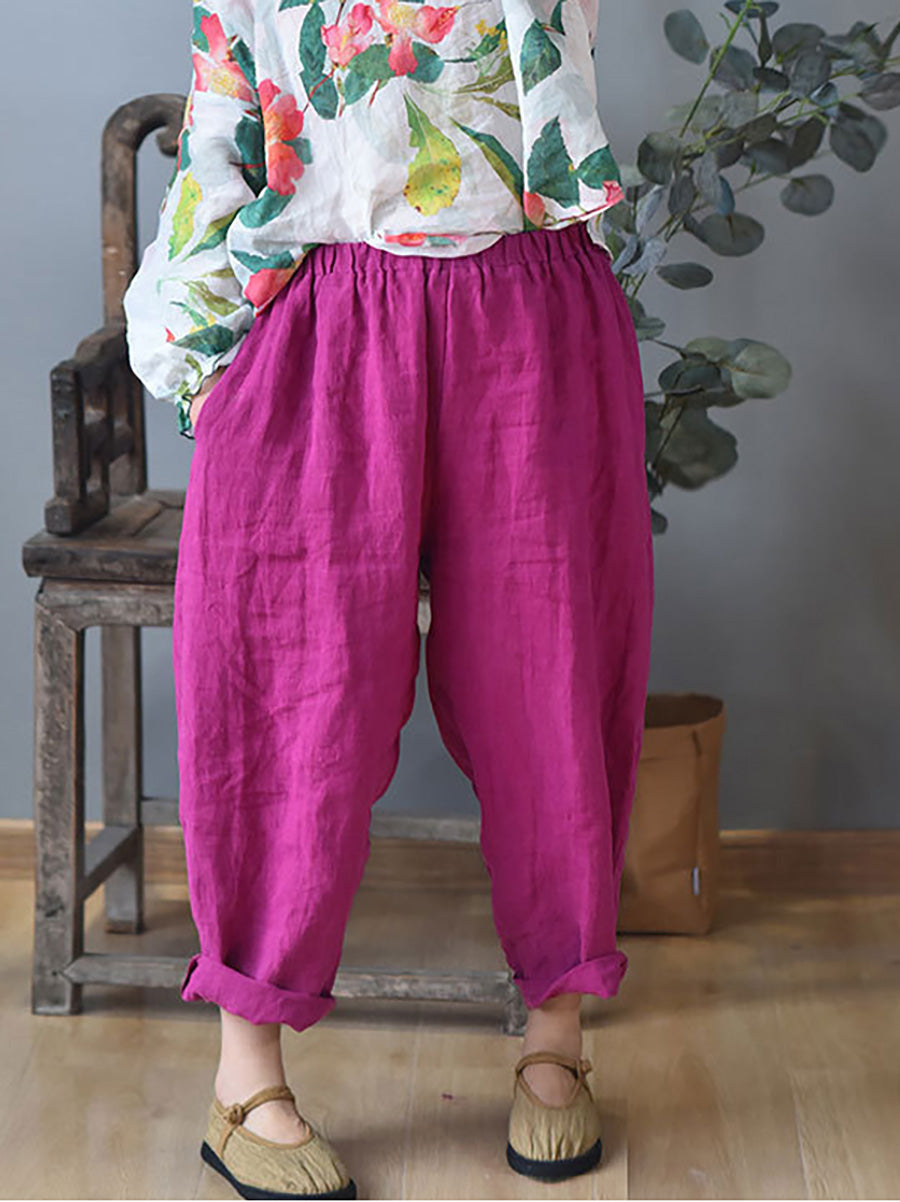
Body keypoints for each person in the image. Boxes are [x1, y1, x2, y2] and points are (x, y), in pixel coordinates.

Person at [124, 0, 654, 1196]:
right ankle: (245, 1070)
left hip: (531, 303)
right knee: (289, 694)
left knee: (551, 676)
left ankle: (557, 1035)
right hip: (319, 310)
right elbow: (223, 122)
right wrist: (208, 359)